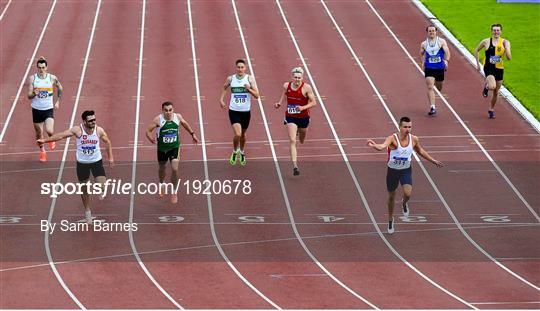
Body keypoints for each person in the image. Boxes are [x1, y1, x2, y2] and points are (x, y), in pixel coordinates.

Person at [366, 117, 443, 234]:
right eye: (405, 127)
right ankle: (390, 220)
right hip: (392, 171)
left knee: (408, 193)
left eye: (410, 127)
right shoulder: (392, 138)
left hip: (405, 170)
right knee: (391, 196)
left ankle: (404, 203)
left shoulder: (414, 139)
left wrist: (433, 160)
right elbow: (382, 146)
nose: (408, 129)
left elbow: (421, 151)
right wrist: (374, 145)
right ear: (400, 127)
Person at [37, 110, 114, 224]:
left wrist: (111, 157)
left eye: (94, 119)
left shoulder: (99, 130)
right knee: (84, 190)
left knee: (102, 186)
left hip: (96, 162)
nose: (93, 122)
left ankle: (99, 189)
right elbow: (61, 135)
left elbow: (107, 142)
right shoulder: (78, 130)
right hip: (82, 163)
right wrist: (45, 140)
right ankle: (88, 213)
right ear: (84, 121)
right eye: (90, 120)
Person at [146, 101, 199, 203]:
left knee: (175, 169)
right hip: (162, 149)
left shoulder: (177, 117)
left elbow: (185, 124)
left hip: (174, 147)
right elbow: (148, 130)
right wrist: (150, 138)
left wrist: (193, 134)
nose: (168, 112)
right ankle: (162, 184)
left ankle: (174, 191)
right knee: (162, 168)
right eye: (166, 110)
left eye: (170, 110)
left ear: (173, 110)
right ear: (162, 111)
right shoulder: (158, 120)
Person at [274, 67, 316, 175]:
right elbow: (284, 94)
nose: (297, 79)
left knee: (302, 140)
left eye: (299, 78)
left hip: (303, 117)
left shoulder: (307, 88)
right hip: (290, 116)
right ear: (292, 77)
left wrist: (302, 108)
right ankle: (295, 166)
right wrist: (279, 103)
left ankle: (300, 131)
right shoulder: (286, 85)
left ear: (302, 78)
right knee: (293, 140)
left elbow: (314, 102)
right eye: (295, 77)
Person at [219, 59, 259, 166]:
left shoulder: (250, 79)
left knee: (243, 134)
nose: (240, 69)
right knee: (238, 133)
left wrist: (249, 89)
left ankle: (241, 152)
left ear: (245, 68)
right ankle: (234, 151)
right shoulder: (231, 78)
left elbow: (257, 96)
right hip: (234, 111)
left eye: (242, 67)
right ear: (236, 68)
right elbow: (224, 87)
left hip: (246, 112)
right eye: (238, 67)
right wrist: (221, 99)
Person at [28, 57, 63, 162]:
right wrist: (34, 93)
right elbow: (29, 96)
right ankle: (42, 151)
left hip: (48, 109)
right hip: (36, 109)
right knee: (39, 133)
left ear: (46, 67)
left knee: (49, 130)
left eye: (43, 67)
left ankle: (51, 139)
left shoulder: (52, 78)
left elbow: (60, 87)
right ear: (37, 68)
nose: (41, 70)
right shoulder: (33, 79)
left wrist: (58, 101)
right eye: (39, 68)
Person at [474, 24, 512, 119]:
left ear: (501, 31)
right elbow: (476, 50)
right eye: (494, 30)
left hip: (499, 69)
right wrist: (478, 64)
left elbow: (509, 58)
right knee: (492, 86)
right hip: (488, 68)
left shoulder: (505, 42)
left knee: (496, 92)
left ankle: (491, 109)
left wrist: (506, 49)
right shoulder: (486, 41)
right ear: (491, 31)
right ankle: (487, 86)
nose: (496, 32)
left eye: (498, 30)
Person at [420, 25, 450, 116]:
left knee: (439, 87)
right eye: (430, 31)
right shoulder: (424, 44)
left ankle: (437, 87)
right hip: (429, 68)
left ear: (436, 31)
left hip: (440, 67)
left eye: (433, 30)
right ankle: (433, 107)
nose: (431, 32)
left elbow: (447, 52)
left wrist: (446, 60)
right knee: (430, 87)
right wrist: (423, 62)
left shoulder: (441, 41)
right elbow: (421, 53)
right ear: (427, 32)